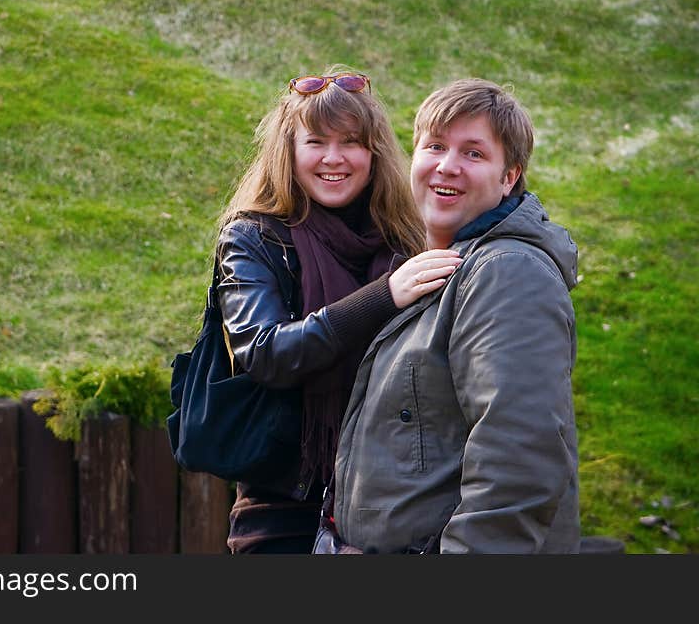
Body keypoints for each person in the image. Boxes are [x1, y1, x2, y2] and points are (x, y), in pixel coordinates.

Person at [214, 67, 463, 553]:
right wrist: (383, 296)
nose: (334, 158)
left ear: (373, 152)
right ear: (289, 151)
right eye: (316, 142)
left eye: (351, 141)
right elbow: (266, 353)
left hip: (391, 506)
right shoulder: (254, 237)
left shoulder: (407, 238)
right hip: (285, 509)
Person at [331, 78, 580, 553]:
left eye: (473, 153)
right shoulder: (442, 267)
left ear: (509, 177)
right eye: (435, 146)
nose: (447, 166)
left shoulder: (507, 274)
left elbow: (519, 464)